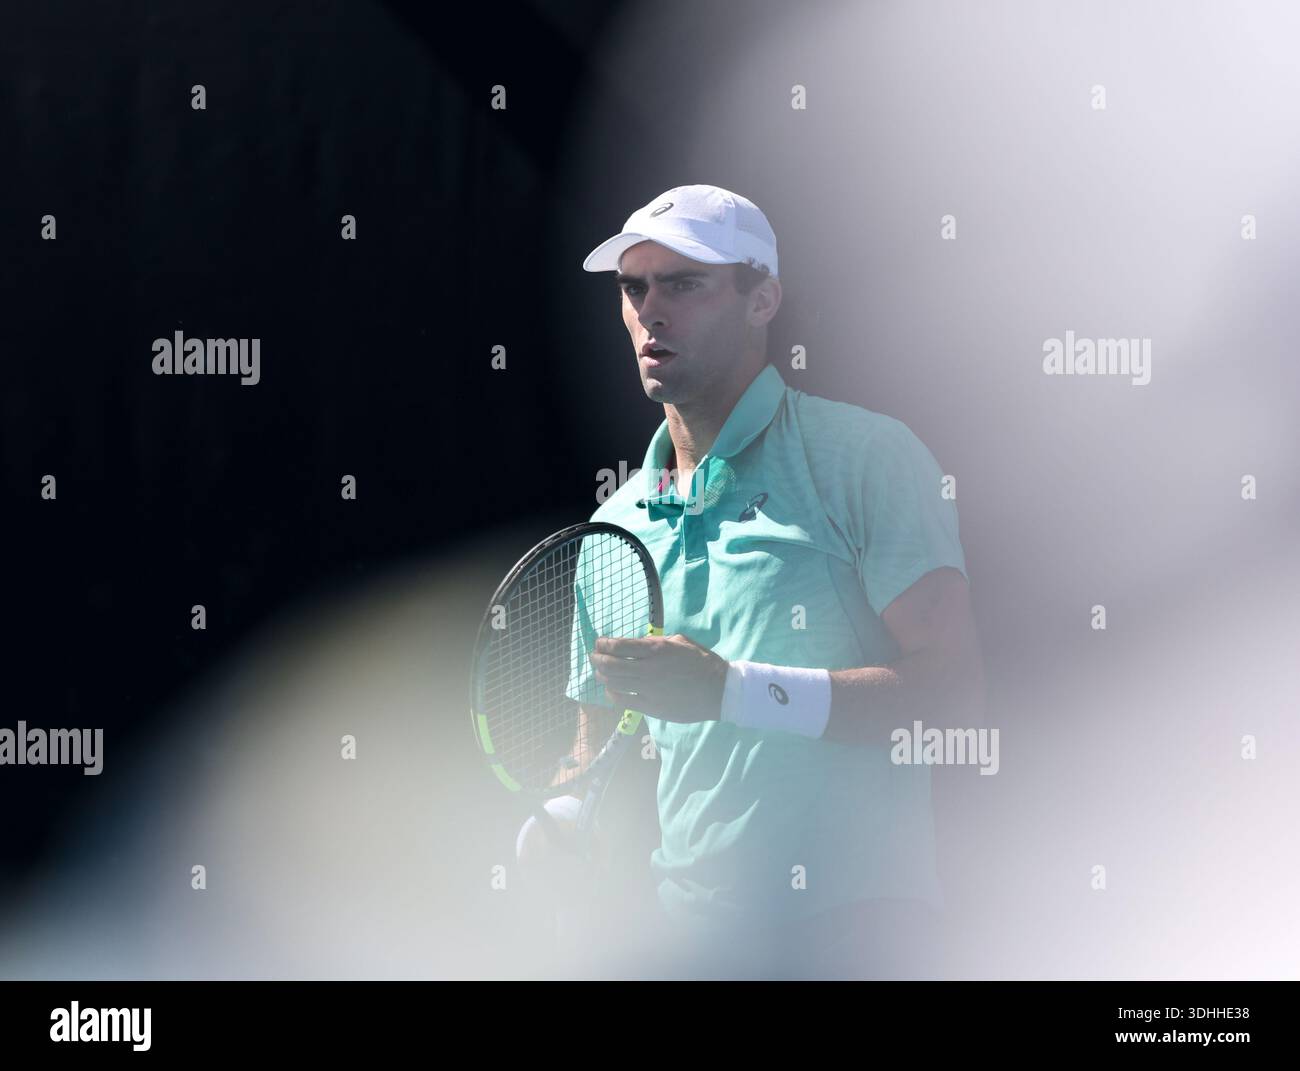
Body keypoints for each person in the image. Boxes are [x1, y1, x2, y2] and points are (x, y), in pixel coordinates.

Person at [518, 184, 985, 979]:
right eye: (634, 288)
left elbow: (951, 695)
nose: (650, 311)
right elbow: (596, 743)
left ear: (762, 299)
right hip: (685, 946)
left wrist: (733, 690)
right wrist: (566, 810)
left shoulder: (866, 457)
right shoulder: (615, 525)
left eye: (684, 283)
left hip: (861, 937)